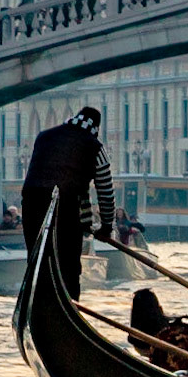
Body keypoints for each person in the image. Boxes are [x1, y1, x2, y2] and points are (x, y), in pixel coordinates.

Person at [20, 106, 115, 301]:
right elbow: (105, 191)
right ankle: (70, 303)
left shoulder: (44, 137)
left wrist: (92, 224)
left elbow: (82, 188)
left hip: (31, 201)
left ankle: (38, 302)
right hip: (66, 206)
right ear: (96, 127)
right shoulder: (95, 147)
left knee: (37, 259)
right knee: (69, 265)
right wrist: (106, 227)